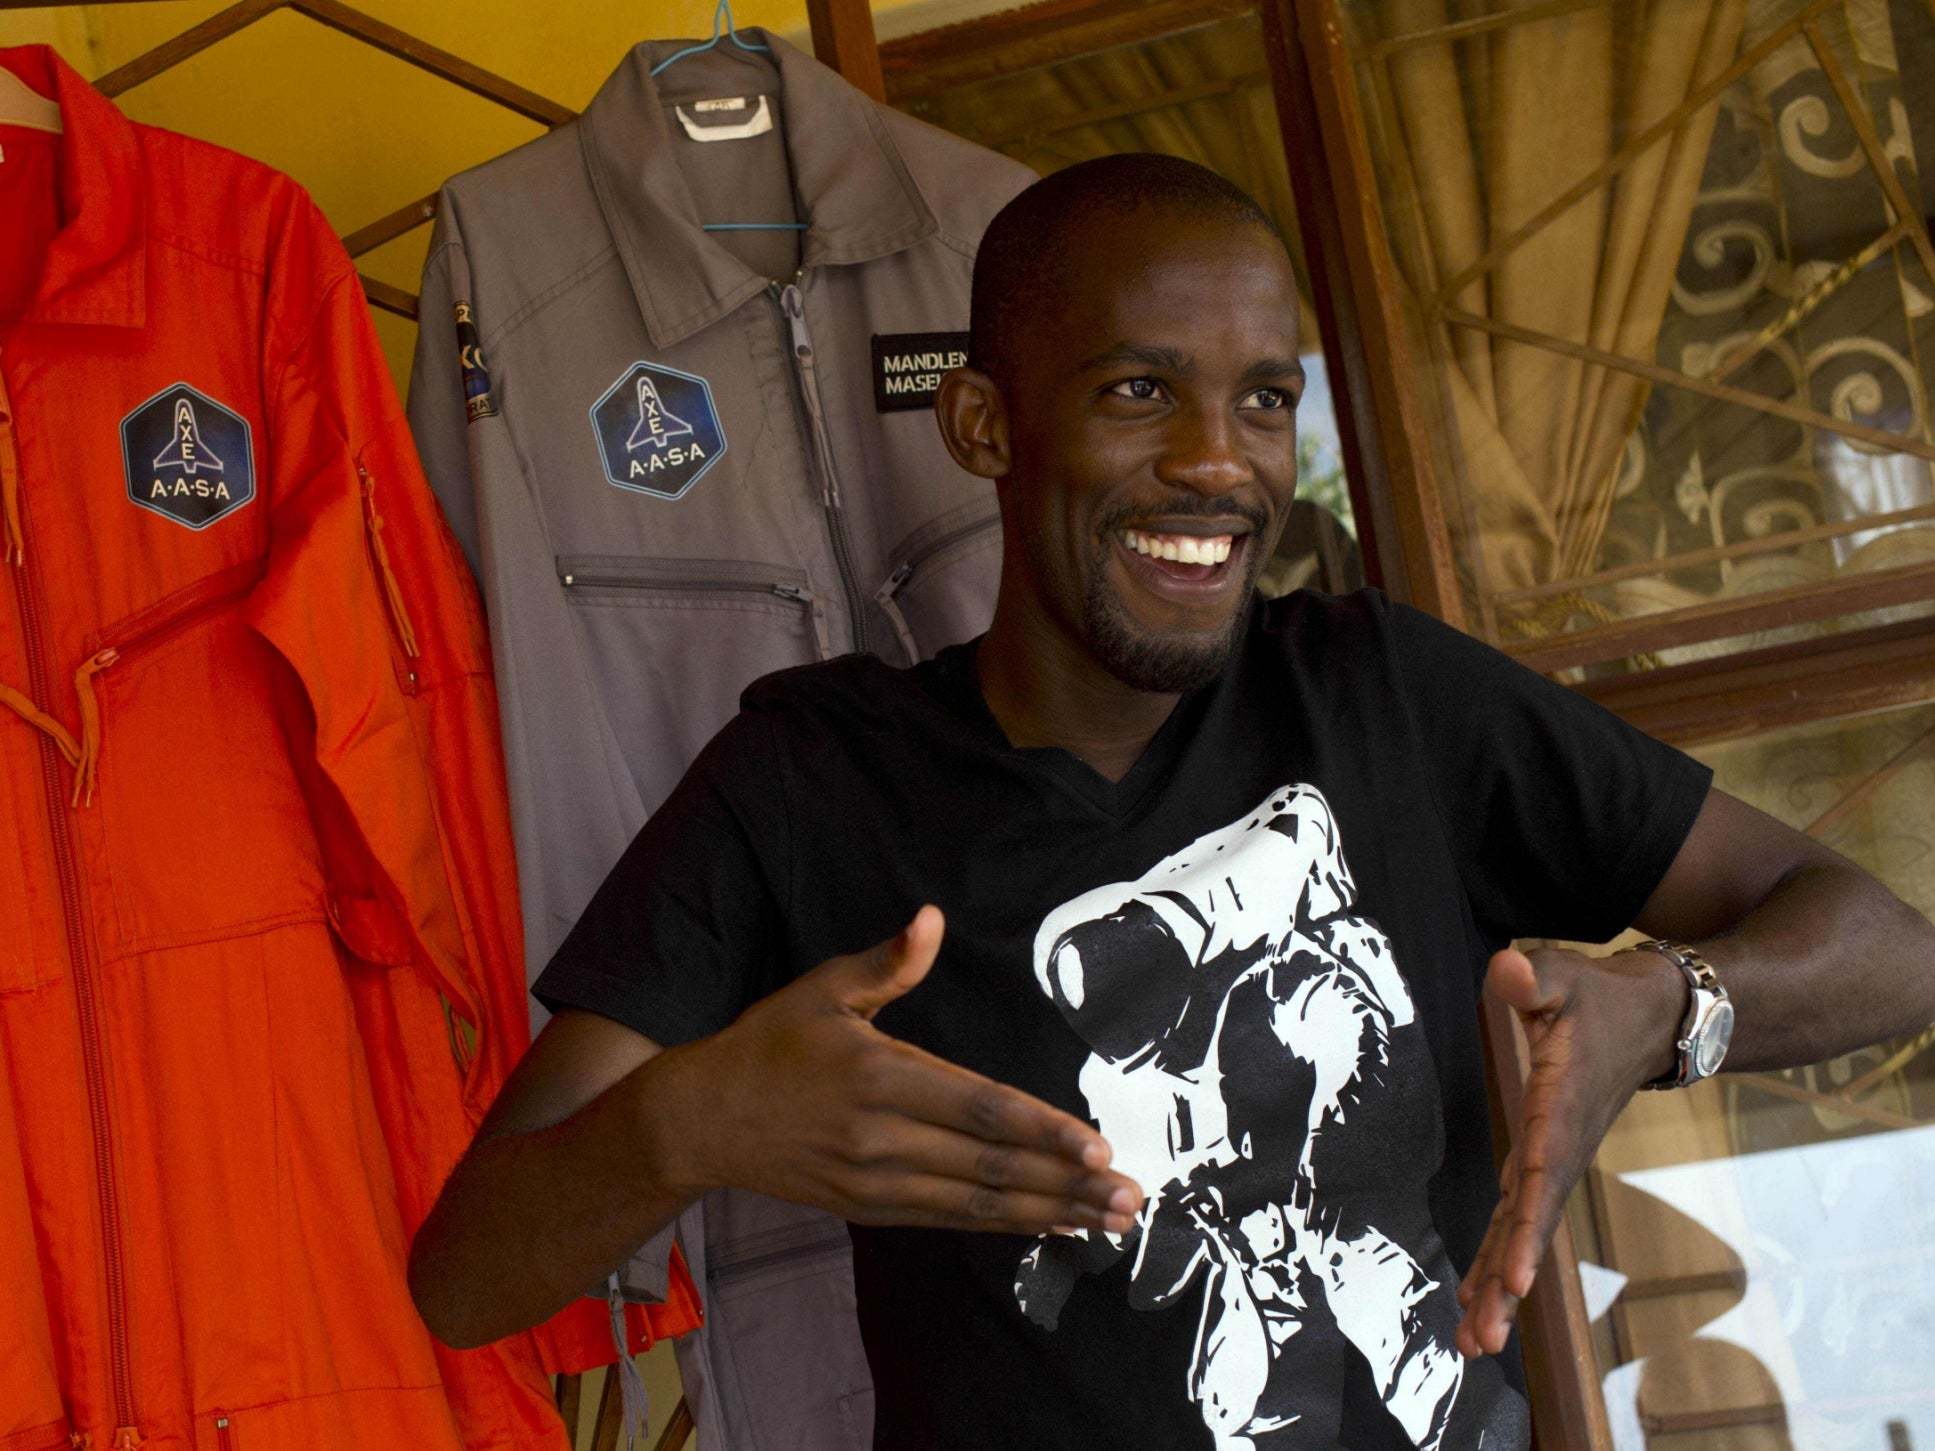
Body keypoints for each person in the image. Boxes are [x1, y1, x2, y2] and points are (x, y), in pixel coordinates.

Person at [408, 155, 1935, 1450]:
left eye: (1264, 400)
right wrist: (692, 1121)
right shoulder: (815, 779)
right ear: (988, 430)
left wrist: (1670, 1006)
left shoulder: (1389, 700)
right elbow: (468, 1278)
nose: (1219, 464)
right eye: (1142, 392)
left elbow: (1884, 940)